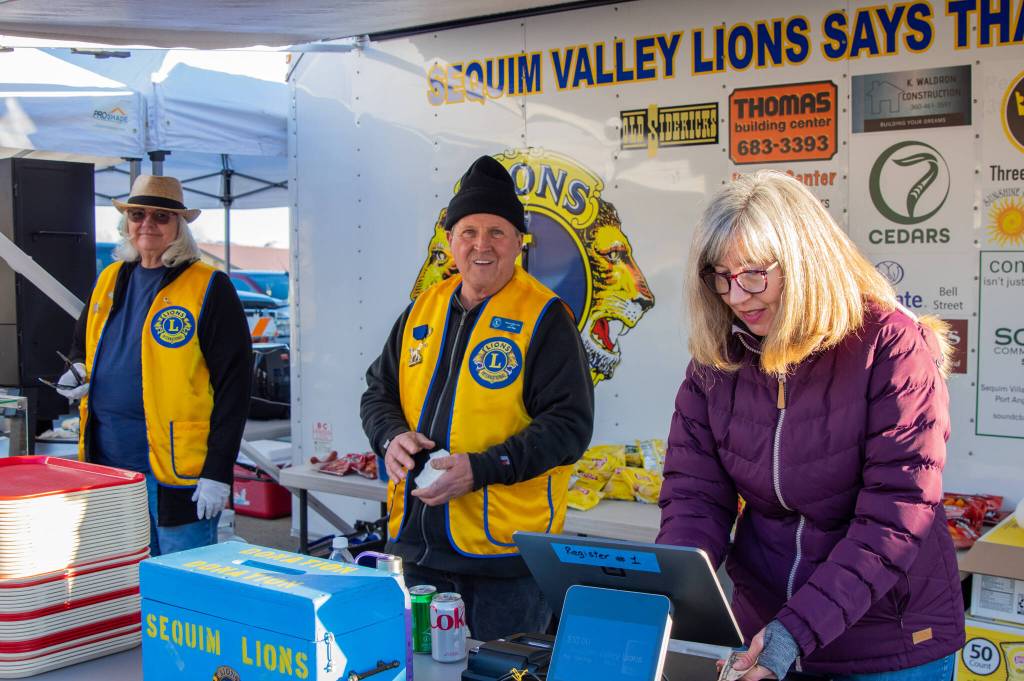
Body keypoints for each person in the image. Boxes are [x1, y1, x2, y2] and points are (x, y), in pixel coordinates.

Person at [658, 170, 964, 680]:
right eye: (721, 276)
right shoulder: (718, 364)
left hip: (884, 645)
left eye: (754, 273)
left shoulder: (889, 345)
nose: (736, 296)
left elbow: (895, 518)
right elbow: (693, 496)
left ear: (803, 261)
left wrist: (793, 633)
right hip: (766, 634)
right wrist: (669, 591)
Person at [361, 155, 594, 641]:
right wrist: (390, 436)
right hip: (417, 546)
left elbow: (569, 427)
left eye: (497, 232)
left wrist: (483, 468)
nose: (481, 245)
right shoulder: (421, 310)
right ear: (450, 242)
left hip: (505, 560)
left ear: (519, 243)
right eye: (468, 231)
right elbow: (377, 391)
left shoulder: (545, 318)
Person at [58, 175, 252, 556]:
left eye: (161, 216)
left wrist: (217, 471)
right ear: (126, 223)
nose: (147, 224)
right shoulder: (109, 279)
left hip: (177, 470)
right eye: (137, 214)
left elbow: (235, 386)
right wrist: (78, 370)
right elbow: (84, 345)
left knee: (181, 586)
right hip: (109, 465)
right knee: (126, 575)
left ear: (179, 226)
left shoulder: (209, 286)